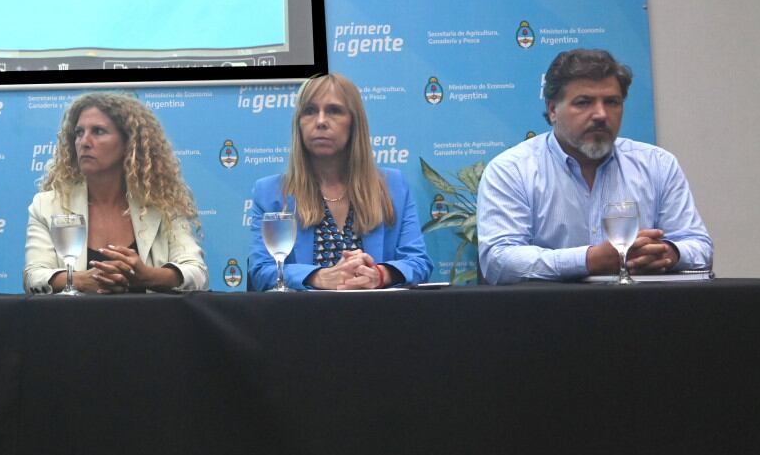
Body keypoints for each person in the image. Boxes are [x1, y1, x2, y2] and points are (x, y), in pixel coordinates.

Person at [477, 48, 712, 284]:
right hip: (549, 314)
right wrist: (589, 260)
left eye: (612, 102)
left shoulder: (657, 165)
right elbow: (499, 261)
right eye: (583, 103)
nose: (600, 114)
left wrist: (668, 253)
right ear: (552, 110)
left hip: (640, 312)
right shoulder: (512, 170)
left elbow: (699, 246)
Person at [247, 73, 431, 290]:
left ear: (354, 123)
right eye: (309, 111)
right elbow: (261, 270)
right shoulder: (270, 192)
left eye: (334, 111)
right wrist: (319, 277)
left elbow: (418, 263)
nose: (321, 121)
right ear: (299, 124)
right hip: (301, 319)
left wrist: (378, 275)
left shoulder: (393, 186)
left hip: (379, 317)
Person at [24, 92, 207, 294]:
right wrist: (80, 281)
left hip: (151, 323)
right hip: (74, 323)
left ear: (129, 143)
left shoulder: (161, 203)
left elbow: (197, 274)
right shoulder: (47, 205)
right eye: (78, 133)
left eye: (98, 131)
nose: (84, 141)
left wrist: (148, 276)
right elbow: (33, 277)